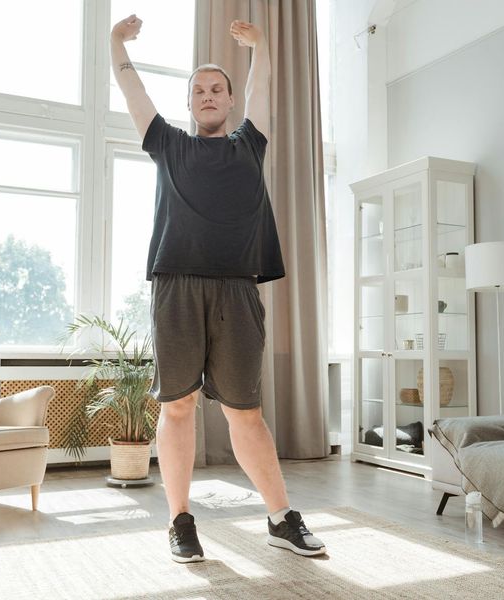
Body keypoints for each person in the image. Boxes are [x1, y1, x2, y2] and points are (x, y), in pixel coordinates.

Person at [110, 14, 326, 563]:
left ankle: (280, 517)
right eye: (198, 91)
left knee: (245, 411)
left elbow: (265, 86)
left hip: (235, 291)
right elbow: (133, 91)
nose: (208, 96)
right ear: (189, 104)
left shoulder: (249, 144)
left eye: (217, 89)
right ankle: (180, 522)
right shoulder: (168, 144)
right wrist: (116, 43)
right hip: (176, 287)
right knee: (177, 406)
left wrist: (262, 46)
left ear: (229, 103)